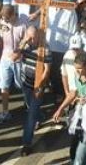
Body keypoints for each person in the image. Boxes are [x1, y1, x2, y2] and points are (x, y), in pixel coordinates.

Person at [53, 51, 86, 165]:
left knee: (83, 149)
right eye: (76, 68)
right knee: (75, 142)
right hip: (81, 116)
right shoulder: (78, 77)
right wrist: (60, 109)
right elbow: (73, 93)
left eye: (80, 69)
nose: (77, 71)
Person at [0, 5, 28, 124]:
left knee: (22, 84)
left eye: (7, 18)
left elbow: (25, 43)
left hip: (19, 60)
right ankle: (5, 111)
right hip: (5, 59)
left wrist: (19, 53)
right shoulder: (2, 24)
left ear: (13, 15)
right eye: (4, 18)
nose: (5, 20)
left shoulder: (22, 26)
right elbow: (1, 43)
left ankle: (28, 106)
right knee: (4, 86)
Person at [19, 25, 50, 156]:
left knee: (30, 115)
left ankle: (26, 143)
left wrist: (39, 85)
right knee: (30, 107)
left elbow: (47, 70)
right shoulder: (25, 46)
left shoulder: (45, 50)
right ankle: (40, 115)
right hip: (26, 84)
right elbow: (13, 56)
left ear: (38, 36)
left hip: (37, 86)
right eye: (29, 38)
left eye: (33, 38)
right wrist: (24, 42)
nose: (31, 40)